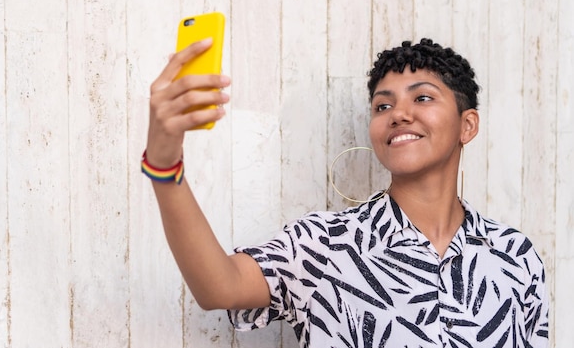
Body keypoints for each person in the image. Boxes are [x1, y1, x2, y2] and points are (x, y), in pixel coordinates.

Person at [143, 38, 549, 347]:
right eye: (382, 106)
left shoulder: (516, 256)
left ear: (468, 126)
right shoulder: (323, 245)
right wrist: (164, 166)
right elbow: (220, 286)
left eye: (422, 97)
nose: (398, 114)